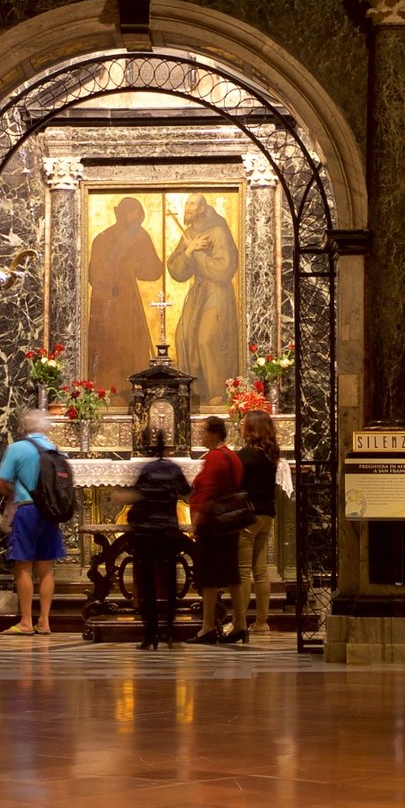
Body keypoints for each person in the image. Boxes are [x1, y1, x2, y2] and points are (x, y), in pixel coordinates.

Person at [0, 409, 65, 636]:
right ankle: (44, 621)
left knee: (23, 565)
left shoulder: (17, 448)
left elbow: (0, 481)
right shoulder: (56, 450)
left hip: (27, 510)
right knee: (46, 568)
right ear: (46, 428)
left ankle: (25, 621)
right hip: (50, 512)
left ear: (26, 427)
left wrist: (14, 492)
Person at [86, 196, 166, 395]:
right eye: (132, 213)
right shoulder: (103, 238)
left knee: (132, 347)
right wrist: (120, 268)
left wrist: (138, 265)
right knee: (110, 348)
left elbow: (155, 270)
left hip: (130, 305)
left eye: (138, 214)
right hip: (109, 307)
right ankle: (108, 390)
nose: (135, 219)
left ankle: (133, 390)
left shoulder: (140, 236)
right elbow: (96, 276)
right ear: (121, 213)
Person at [165, 194, 241, 397]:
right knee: (183, 337)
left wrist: (196, 253)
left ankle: (218, 393)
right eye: (187, 204)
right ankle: (194, 394)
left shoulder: (217, 231)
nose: (188, 208)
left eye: (192, 204)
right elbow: (177, 271)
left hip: (217, 293)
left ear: (202, 208)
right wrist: (189, 251)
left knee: (207, 339)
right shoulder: (190, 234)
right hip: (198, 293)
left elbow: (224, 269)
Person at [187, 415, 248, 643]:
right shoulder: (232, 455)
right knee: (232, 574)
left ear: (214, 433)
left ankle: (208, 626)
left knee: (209, 577)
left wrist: (197, 519)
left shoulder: (214, 457)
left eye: (203, 432)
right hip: (230, 522)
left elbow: (208, 491)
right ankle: (240, 623)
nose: (201, 436)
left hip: (212, 523)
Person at [126, 447, 191, 650]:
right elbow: (187, 493)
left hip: (146, 532)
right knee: (170, 581)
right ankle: (169, 630)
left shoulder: (147, 469)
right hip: (168, 530)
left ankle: (150, 634)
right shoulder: (173, 469)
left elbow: (136, 495)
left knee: (147, 584)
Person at [234, 409, 282, 639]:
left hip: (248, 516)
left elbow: (236, 485)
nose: (240, 426)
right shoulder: (271, 454)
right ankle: (262, 621)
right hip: (266, 515)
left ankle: (240, 622)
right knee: (261, 572)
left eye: (243, 423)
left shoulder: (245, 455)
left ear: (251, 428)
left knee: (243, 572)